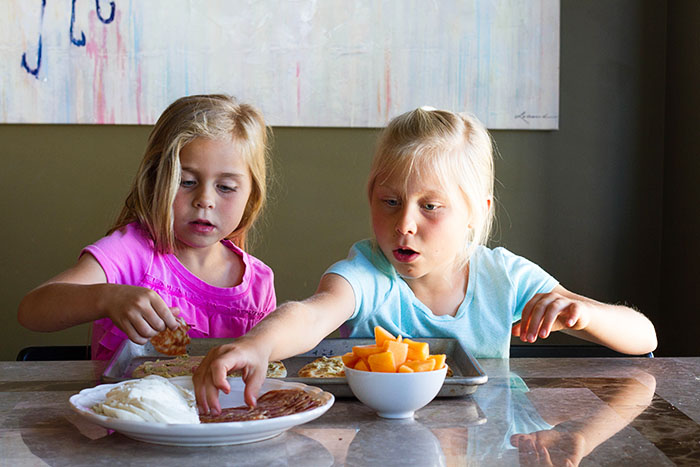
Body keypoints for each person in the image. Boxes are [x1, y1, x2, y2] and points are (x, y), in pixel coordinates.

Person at [192, 106, 657, 414]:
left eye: (430, 206)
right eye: (389, 201)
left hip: (487, 445)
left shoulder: (505, 277)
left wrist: (586, 312)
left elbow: (644, 337)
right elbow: (312, 313)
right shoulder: (367, 272)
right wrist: (257, 345)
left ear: (478, 213)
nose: (405, 224)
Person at [17, 94, 276, 360]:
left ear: (251, 195)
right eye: (185, 181)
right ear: (154, 181)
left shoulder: (259, 284)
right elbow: (32, 310)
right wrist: (108, 298)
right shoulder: (129, 252)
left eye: (225, 187)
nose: (205, 201)